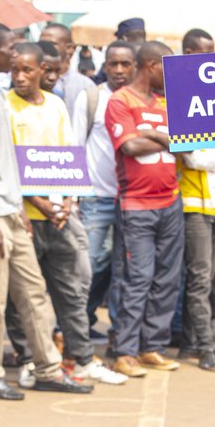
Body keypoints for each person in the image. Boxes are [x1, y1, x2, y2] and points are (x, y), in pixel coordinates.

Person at [0, 21, 91, 400]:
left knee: (33, 293)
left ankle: (48, 368)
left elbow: (7, 162)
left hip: (11, 210)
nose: (16, 56)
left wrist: (16, 210)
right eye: (10, 50)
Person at [5, 41, 125, 385]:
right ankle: (28, 358)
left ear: (43, 70)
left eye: (28, 70)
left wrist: (69, 200)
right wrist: (38, 201)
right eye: (15, 70)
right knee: (24, 297)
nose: (20, 77)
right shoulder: (5, 107)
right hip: (24, 215)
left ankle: (82, 358)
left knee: (71, 290)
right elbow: (8, 160)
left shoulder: (56, 105)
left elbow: (70, 154)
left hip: (59, 215)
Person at [105, 41, 183, 378]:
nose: (172, 76)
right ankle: (124, 350)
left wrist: (154, 133)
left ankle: (153, 347)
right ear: (151, 65)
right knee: (137, 279)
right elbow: (131, 146)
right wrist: (166, 137)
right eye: (167, 68)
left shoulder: (168, 103)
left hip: (171, 201)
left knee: (167, 279)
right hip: (136, 205)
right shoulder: (119, 101)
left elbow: (188, 141)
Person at [176, 28, 215, 371]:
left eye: (212, 52)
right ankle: (206, 346)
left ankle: (189, 341)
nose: (208, 60)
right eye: (201, 52)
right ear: (186, 54)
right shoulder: (182, 97)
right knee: (200, 278)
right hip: (193, 204)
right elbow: (194, 158)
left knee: (209, 278)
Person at [73, 41, 136, 342]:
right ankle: (75, 328)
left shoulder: (140, 100)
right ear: (105, 65)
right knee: (89, 265)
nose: (120, 70)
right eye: (114, 64)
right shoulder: (92, 98)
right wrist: (73, 196)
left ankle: (117, 333)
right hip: (95, 197)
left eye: (126, 64)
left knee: (121, 270)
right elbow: (75, 146)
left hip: (131, 200)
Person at [40, 22, 95, 113]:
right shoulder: (32, 81)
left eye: (51, 43)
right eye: (41, 43)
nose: (43, 47)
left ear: (70, 48)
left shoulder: (85, 86)